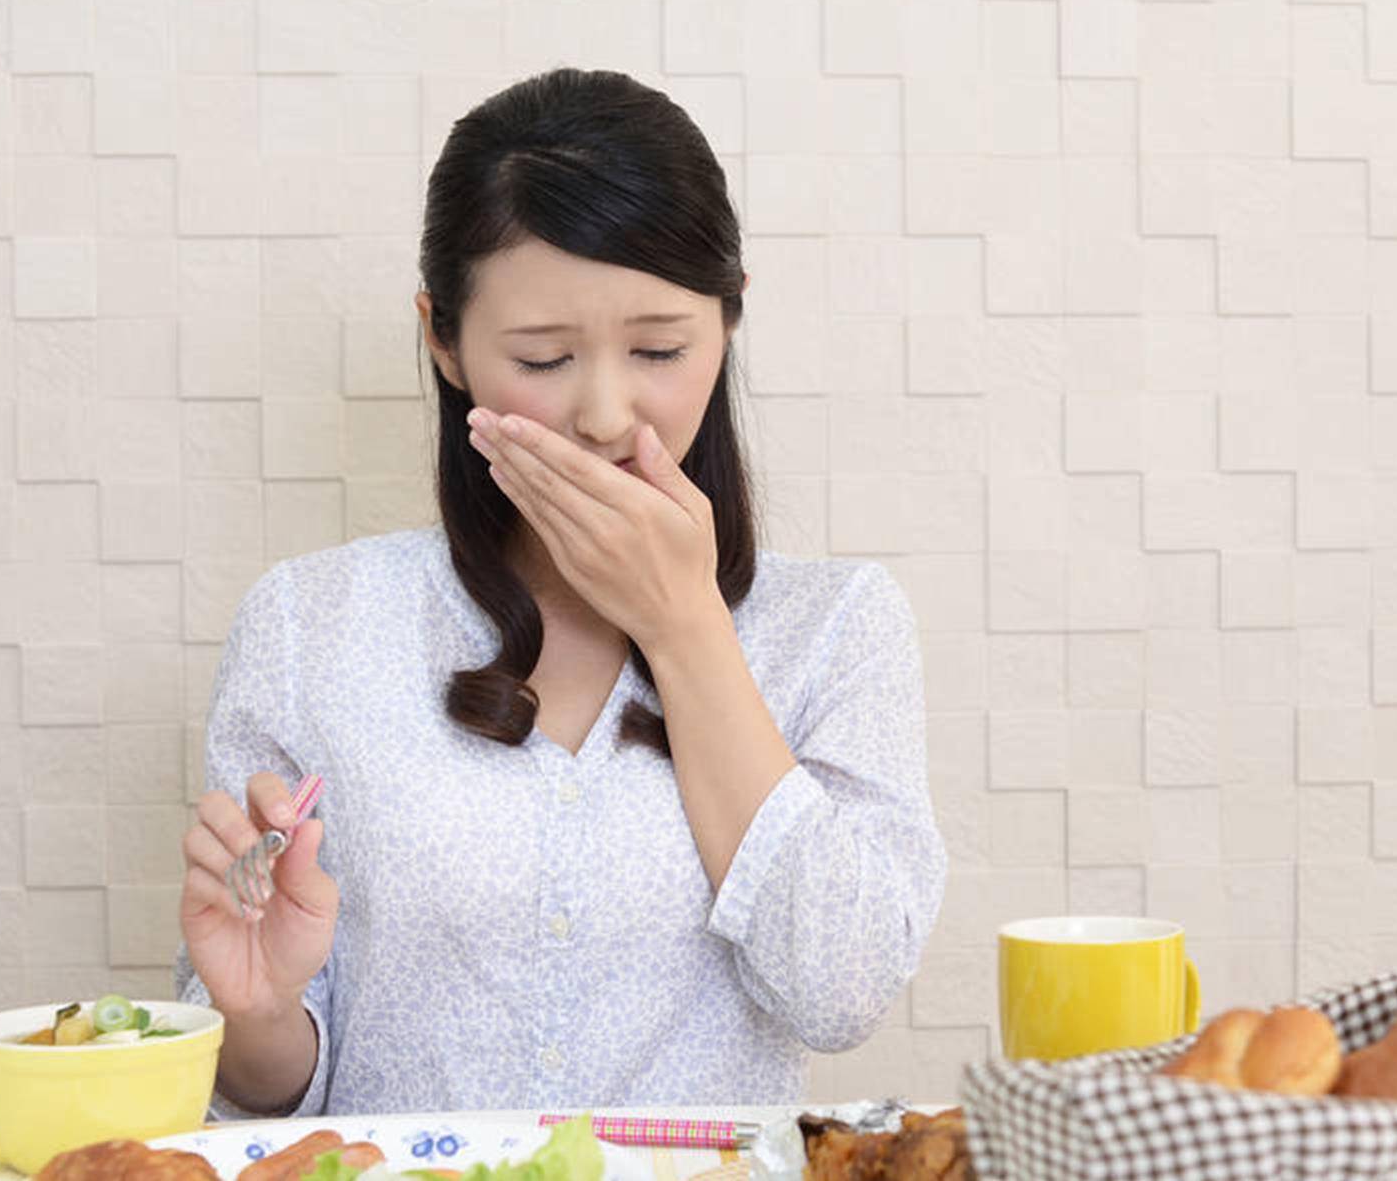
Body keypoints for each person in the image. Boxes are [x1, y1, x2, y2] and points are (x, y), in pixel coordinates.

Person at [173, 68, 948, 1117]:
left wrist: (684, 628)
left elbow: (841, 991)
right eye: (543, 356)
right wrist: (255, 1017)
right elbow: (263, 1089)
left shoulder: (838, 627)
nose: (604, 413)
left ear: (728, 324)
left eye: (660, 349)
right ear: (443, 340)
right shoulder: (311, 625)